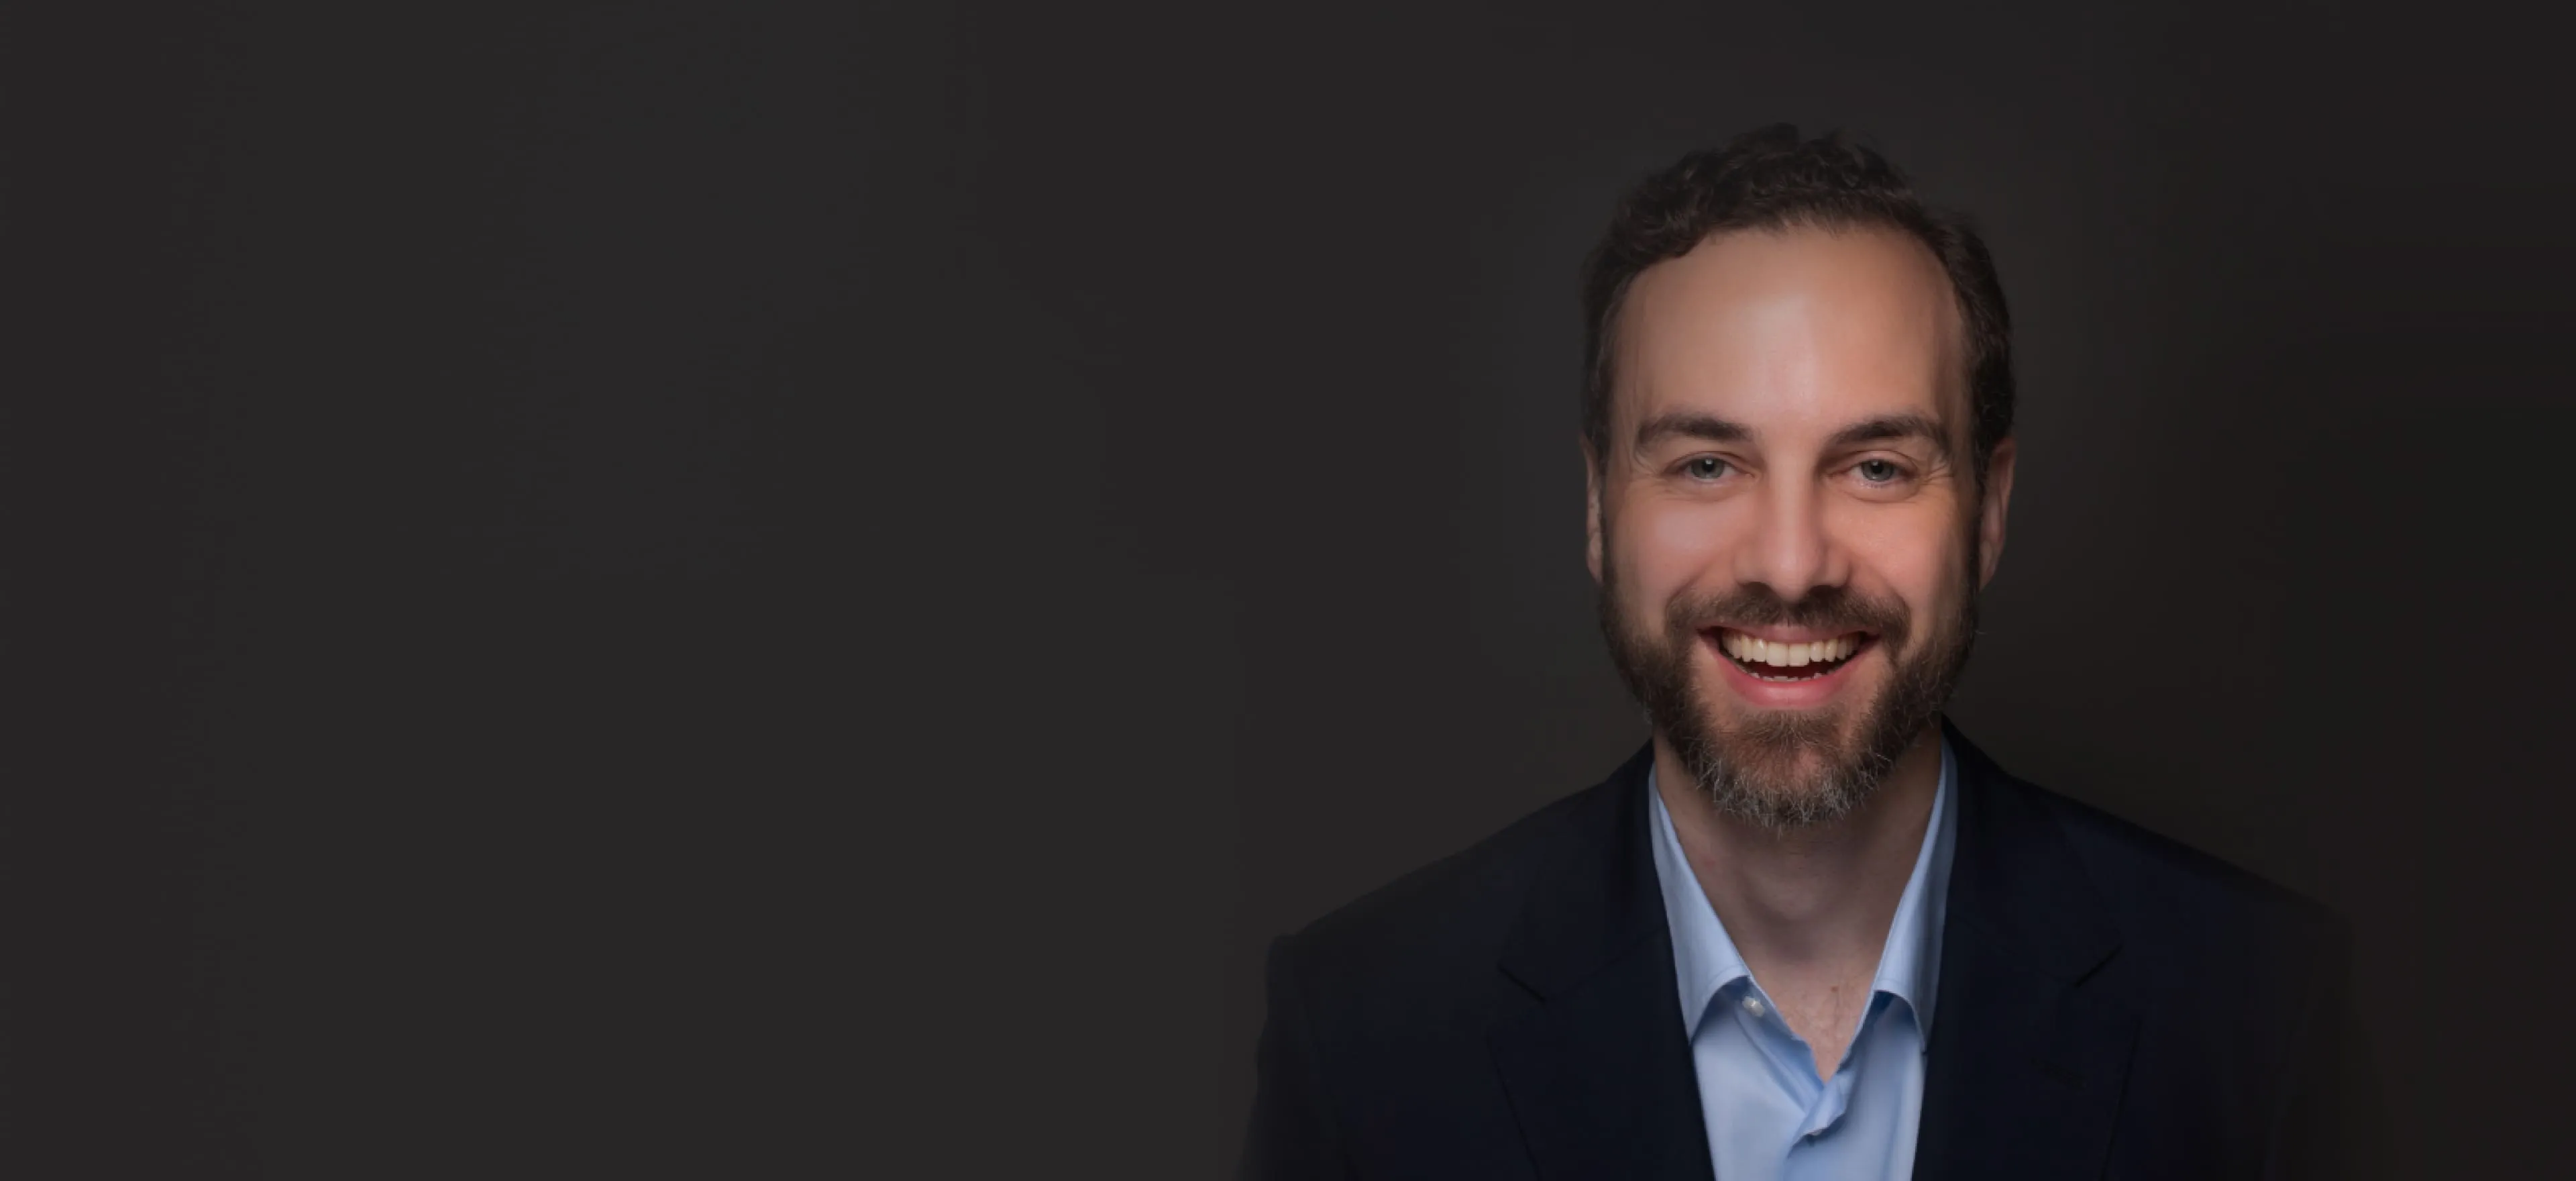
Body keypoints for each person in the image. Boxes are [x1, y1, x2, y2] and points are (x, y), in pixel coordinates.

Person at [1240, 126, 2373, 1180]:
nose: (1791, 565)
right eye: (1705, 464)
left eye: (1876, 465)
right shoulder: (1363, 1036)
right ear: (1597, 506)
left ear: (1988, 510)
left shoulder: (2256, 1011)